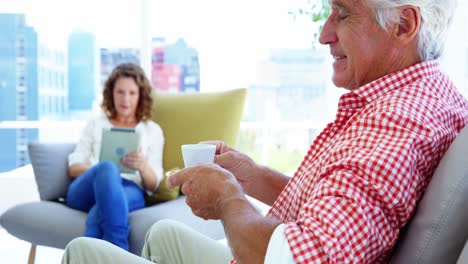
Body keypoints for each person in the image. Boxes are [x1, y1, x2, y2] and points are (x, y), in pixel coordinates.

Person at [62, 0, 468, 263]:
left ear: (403, 24)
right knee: (166, 233)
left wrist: (226, 198)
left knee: (83, 252)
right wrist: (251, 176)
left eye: (343, 14)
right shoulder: (429, 97)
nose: (325, 33)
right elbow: (344, 205)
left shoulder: (396, 121)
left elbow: (307, 258)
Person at [65, 63, 164, 251]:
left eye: (132, 93)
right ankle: (120, 254)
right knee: (108, 168)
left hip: (129, 187)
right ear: (111, 93)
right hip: (87, 188)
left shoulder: (151, 130)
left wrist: (142, 166)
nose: (125, 99)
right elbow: (73, 167)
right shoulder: (96, 123)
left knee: (99, 213)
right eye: (120, 92)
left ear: (140, 95)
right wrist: (102, 172)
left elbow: (153, 184)